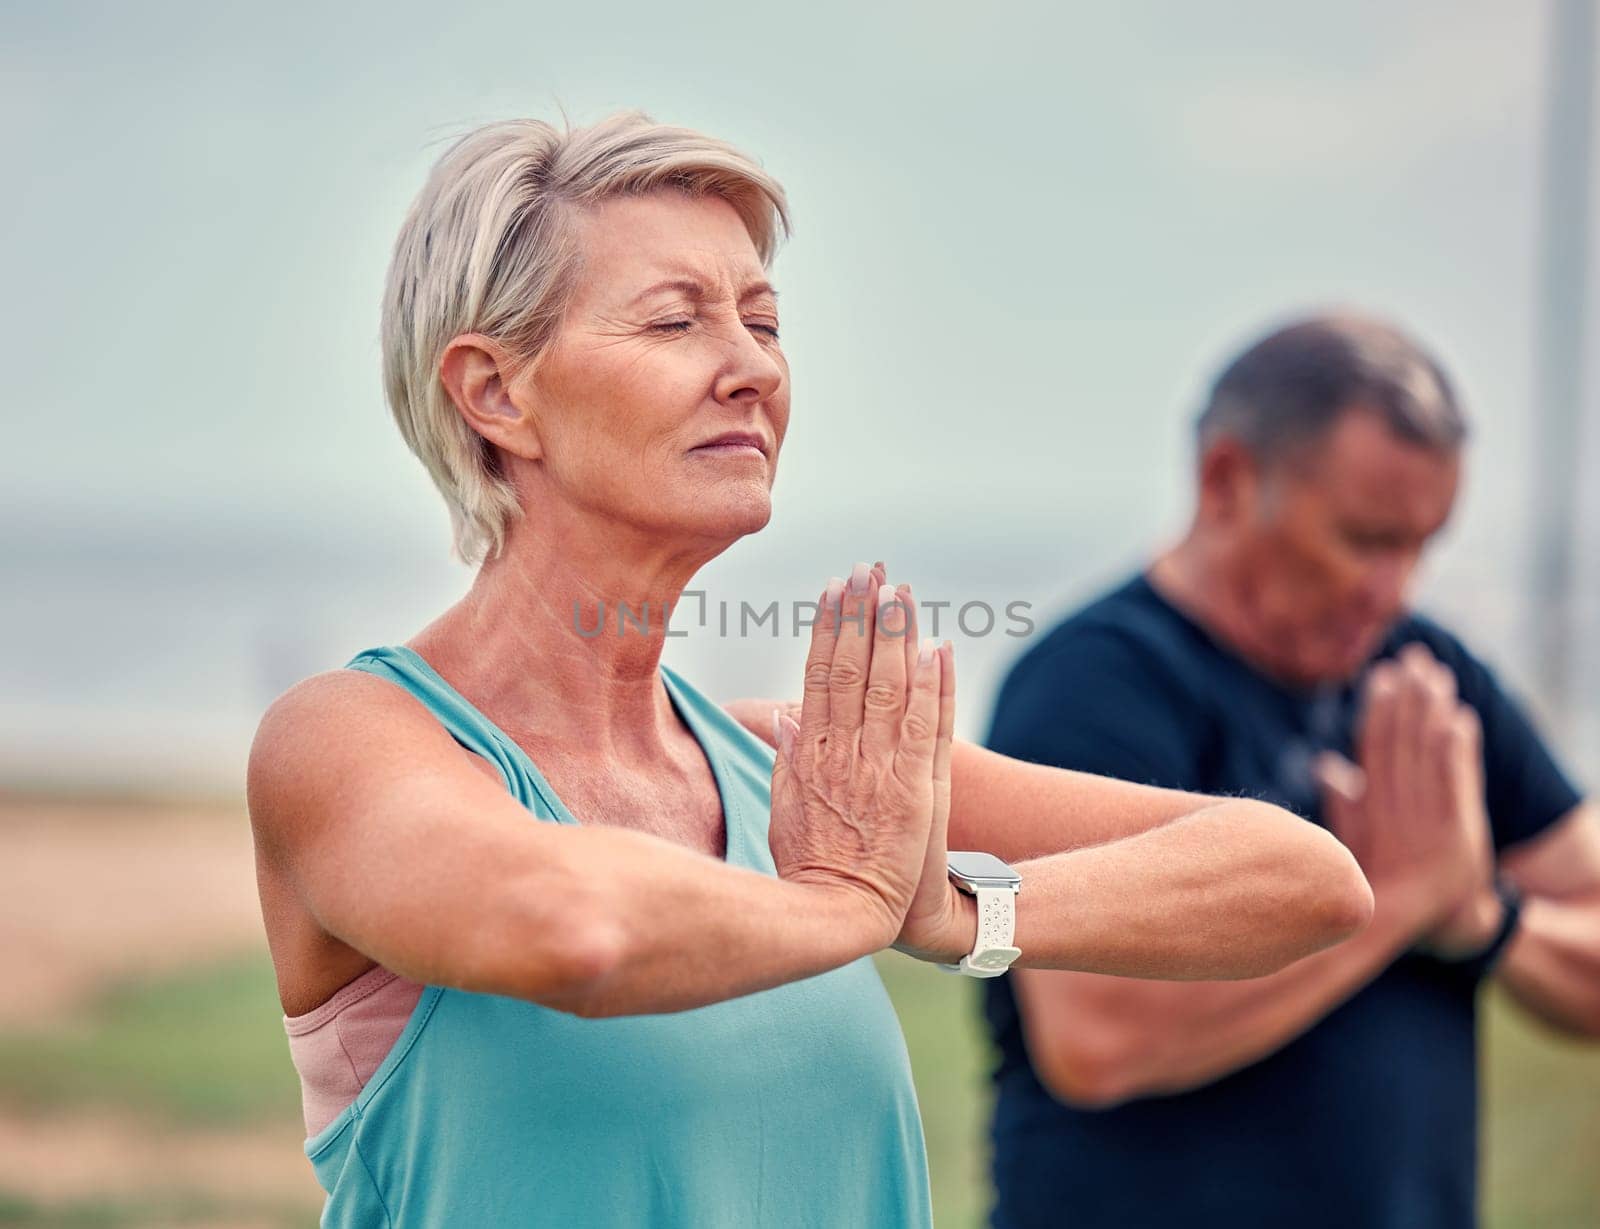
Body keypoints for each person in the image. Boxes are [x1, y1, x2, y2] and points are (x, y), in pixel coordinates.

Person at [246, 115, 1372, 1228]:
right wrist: (847, 904)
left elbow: (1307, 876)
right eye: (676, 320)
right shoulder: (347, 741)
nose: (750, 369)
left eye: (763, 320)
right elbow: (570, 926)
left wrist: (950, 908)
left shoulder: (793, 770)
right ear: (496, 393)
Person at [981, 313, 1600, 1229]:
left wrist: (1481, 918)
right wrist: (1395, 901)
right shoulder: (1095, 685)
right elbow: (1095, 1036)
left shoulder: (1425, 680)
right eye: (1363, 538)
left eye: (1421, 545)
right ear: (1226, 480)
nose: (1391, 590)